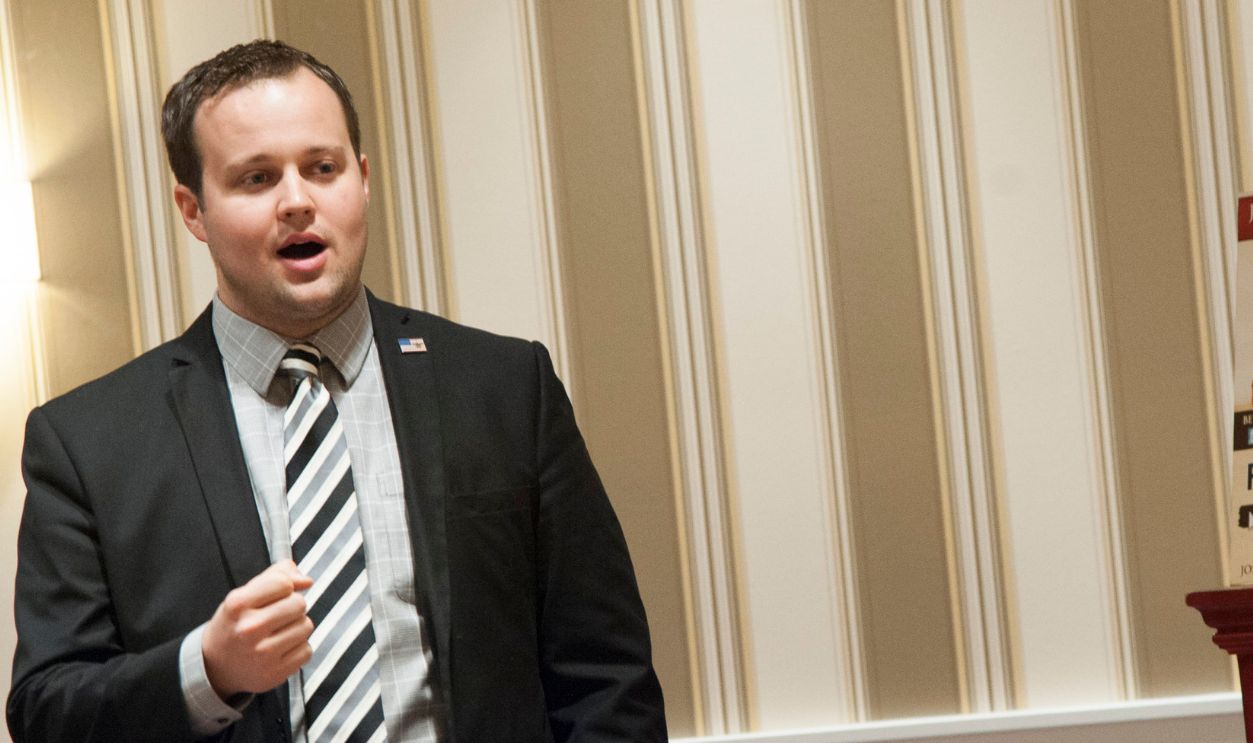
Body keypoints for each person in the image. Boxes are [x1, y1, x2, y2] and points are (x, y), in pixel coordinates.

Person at [6, 39, 666, 742]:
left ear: (362, 176)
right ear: (193, 210)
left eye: (321, 168)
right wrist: (208, 668)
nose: (297, 201)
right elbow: (48, 710)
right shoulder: (88, 442)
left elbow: (605, 678)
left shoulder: (505, 388)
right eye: (256, 179)